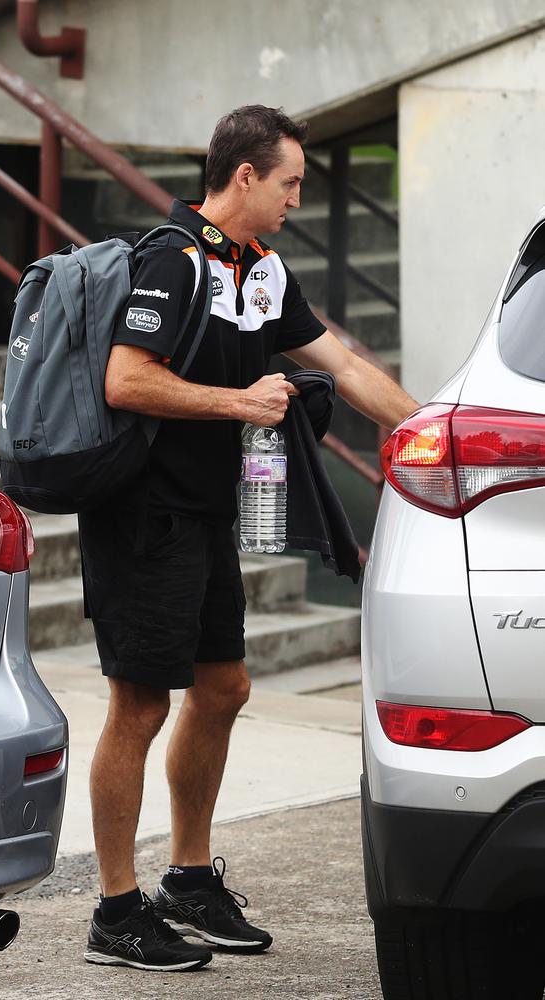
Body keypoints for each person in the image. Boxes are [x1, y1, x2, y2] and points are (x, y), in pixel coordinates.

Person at [78, 104, 419, 973]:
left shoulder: (260, 270)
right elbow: (126, 379)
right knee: (140, 705)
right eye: (290, 182)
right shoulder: (174, 259)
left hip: (204, 514)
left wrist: (434, 430)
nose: (297, 199)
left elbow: (340, 366)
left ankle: (188, 879)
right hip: (142, 515)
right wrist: (240, 402)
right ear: (245, 178)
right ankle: (115, 910)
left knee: (223, 687)